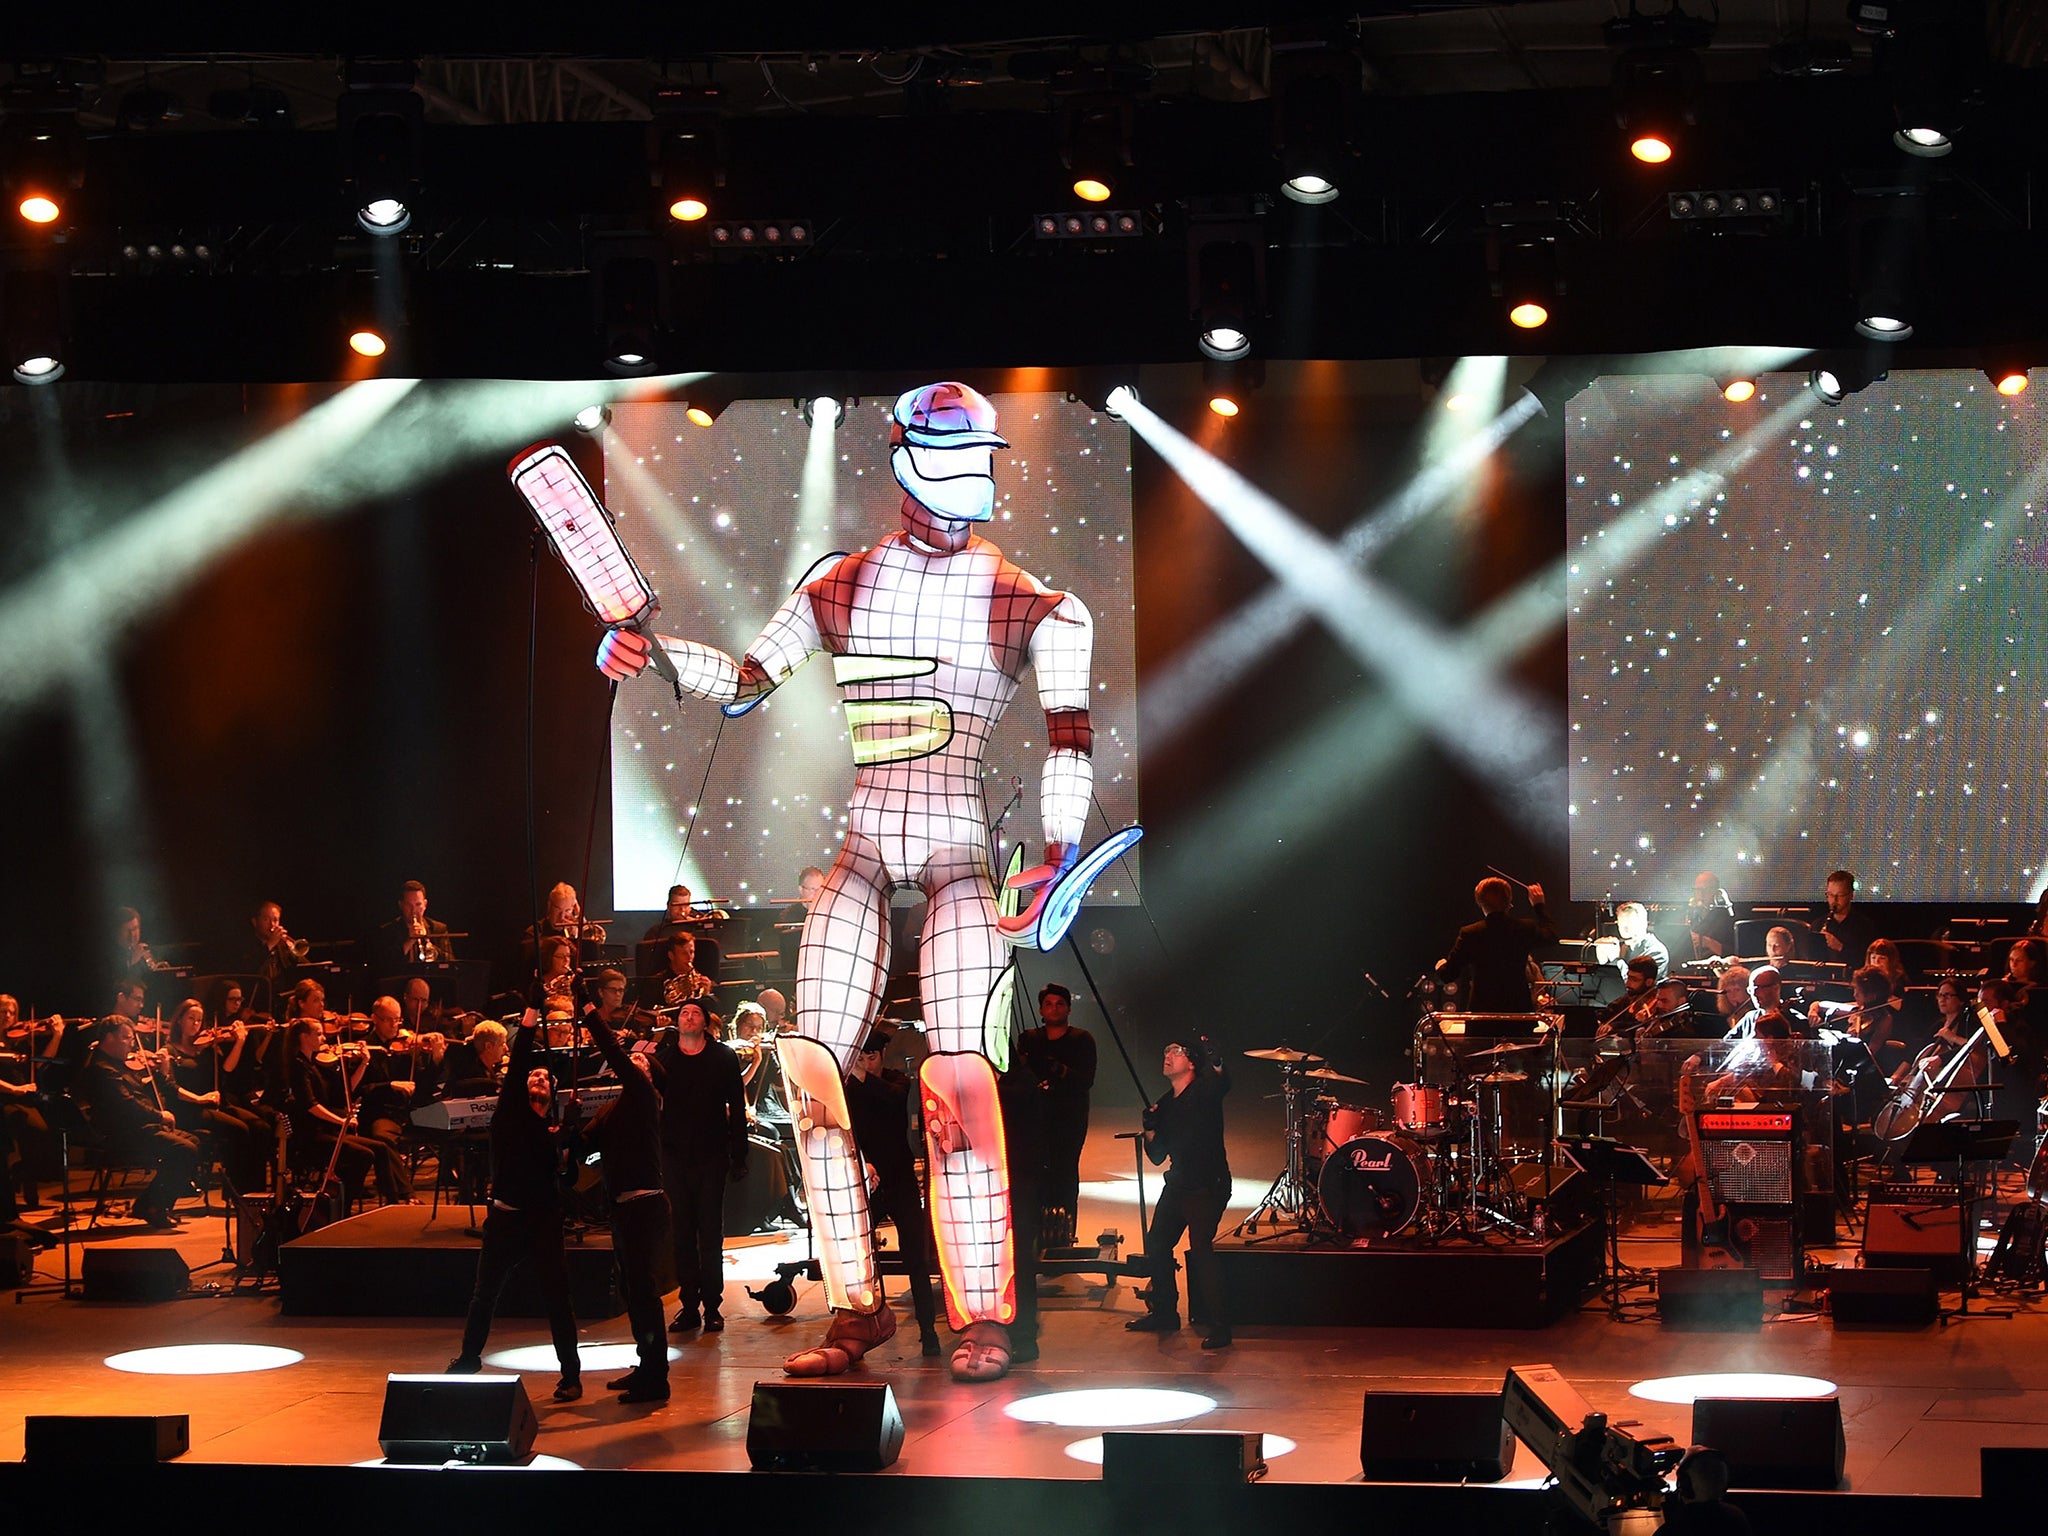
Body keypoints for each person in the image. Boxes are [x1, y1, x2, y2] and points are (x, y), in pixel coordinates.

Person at [599, 381, 1099, 1384]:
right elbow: (745, 683)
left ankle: (980, 1313)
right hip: (866, 845)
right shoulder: (839, 582)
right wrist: (654, 659)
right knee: (811, 1071)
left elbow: (1068, 742)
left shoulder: (1034, 605)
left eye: (981, 455)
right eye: (952, 452)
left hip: (959, 849)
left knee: (960, 1074)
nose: (972, 473)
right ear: (907, 455)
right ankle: (856, 1307)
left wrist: (1053, 854)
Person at [448, 1018, 582, 1402]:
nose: (538, 1078)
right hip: (506, 1217)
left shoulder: (552, 1131)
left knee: (558, 1299)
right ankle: (469, 1358)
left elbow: (565, 1174)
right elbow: (521, 1060)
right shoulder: (509, 1115)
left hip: (542, 1220)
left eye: (545, 1078)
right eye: (533, 1076)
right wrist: (527, 1022)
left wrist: (570, 1135)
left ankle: (571, 1376)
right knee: (484, 1293)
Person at [582, 1019, 672, 1402]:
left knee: (644, 1293)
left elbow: (614, 1054)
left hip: (644, 1206)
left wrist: (588, 1011)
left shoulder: (643, 1094)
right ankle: (646, 1365)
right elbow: (587, 1139)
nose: (634, 1060)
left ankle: (657, 1377)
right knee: (632, 1291)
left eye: (641, 1060)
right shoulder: (615, 1106)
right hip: (622, 1208)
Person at [1129, 1036, 1233, 1350]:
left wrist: (1216, 1061)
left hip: (1206, 1186)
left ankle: (1220, 1326)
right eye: (1165, 1051)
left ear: (1191, 1062)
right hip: (1179, 1184)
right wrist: (1149, 1127)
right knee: (1158, 1242)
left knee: (1200, 1248)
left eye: (1175, 1051)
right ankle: (1165, 1313)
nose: (1167, 1056)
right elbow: (1157, 1155)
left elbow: (1222, 1083)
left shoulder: (1204, 1090)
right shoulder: (1166, 1103)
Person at [844, 1026, 941, 1357]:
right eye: (859, 1057)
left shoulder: (896, 1080)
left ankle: (928, 1330)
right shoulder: (847, 1088)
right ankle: (863, 1324)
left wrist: (863, 1076)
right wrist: (863, 1162)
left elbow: (892, 1100)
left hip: (899, 1178)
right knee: (857, 1257)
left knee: (915, 1253)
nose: (864, 1063)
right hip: (867, 1177)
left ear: (882, 1055)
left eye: (870, 1057)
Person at [654, 995, 748, 1334]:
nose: (689, 1017)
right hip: (675, 1155)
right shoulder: (664, 1061)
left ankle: (713, 1306)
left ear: (706, 1022)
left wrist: (740, 1153)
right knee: (681, 1232)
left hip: (711, 1155)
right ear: (677, 1022)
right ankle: (689, 1305)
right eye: (684, 1013)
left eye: (696, 1013)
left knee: (710, 1233)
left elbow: (736, 1105)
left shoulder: (722, 1057)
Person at [80, 1018, 201, 1227]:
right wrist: (159, 1115)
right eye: (126, 1037)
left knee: (195, 1142)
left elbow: (138, 1094)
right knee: (186, 1150)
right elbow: (127, 1105)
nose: (132, 1044)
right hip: (122, 1135)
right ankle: (154, 1207)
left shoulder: (119, 1064)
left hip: (139, 1129)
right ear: (109, 1038)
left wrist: (158, 1073)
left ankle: (150, 1204)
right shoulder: (102, 1068)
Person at [282, 1017, 410, 1206]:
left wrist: (364, 1063)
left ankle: (394, 1203)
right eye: (318, 1034)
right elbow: (311, 1105)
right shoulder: (298, 1067)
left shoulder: (314, 1064)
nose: (324, 1038)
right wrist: (342, 1121)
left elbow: (346, 1090)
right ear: (303, 1037)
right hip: (313, 1135)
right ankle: (343, 1206)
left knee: (380, 1148)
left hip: (327, 1130)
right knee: (364, 1155)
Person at [162, 998, 270, 1195]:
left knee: (260, 1127)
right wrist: (199, 1099)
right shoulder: (169, 1050)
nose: (195, 1024)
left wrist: (240, 1041)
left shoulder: (204, 1048)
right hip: (189, 1110)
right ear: (179, 1020)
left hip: (212, 1105)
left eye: (199, 1020)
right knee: (240, 1130)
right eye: (191, 1018)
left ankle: (258, 1191)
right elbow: (170, 1087)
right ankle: (238, 1191)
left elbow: (226, 1069)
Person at [1017, 983, 1095, 1248]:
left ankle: (1064, 1233)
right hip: (1034, 1120)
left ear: (1069, 1009)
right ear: (1041, 1009)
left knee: (1064, 1173)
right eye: (1048, 1004)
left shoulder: (1082, 1039)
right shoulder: (1029, 1039)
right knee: (1036, 1175)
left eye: (1059, 1004)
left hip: (1068, 1120)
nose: (1054, 1008)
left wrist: (1061, 1071)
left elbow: (1086, 1081)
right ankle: (1038, 1233)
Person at [1438, 877, 1555, 1011]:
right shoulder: (1525, 928)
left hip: (1482, 1014)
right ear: (1509, 901)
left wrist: (1440, 966)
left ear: (1480, 902)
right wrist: (1539, 905)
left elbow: (1447, 975)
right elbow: (1551, 936)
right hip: (1518, 1013)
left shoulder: (1470, 933)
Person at [370, 880, 454, 977]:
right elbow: (385, 966)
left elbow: (451, 962)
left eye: (418, 905)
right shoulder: (388, 930)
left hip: (433, 980)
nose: (414, 910)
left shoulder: (438, 928)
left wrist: (431, 947)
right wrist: (409, 941)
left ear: (425, 904)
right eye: (408, 905)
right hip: (400, 982)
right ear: (401, 905)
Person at [233, 900, 302, 998]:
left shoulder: (282, 944)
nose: (272, 925)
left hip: (283, 998)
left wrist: (294, 952)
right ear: (255, 922)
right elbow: (247, 968)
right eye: (266, 919)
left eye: (275, 920)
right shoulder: (244, 945)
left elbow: (306, 967)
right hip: (257, 1000)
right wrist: (270, 945)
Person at [522, 882, 588, 973]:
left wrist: (576, 938)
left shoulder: (573, 931)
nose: (562, 916)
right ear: (549, 906)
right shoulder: (536, 931)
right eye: (558, 909)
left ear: (573, 909)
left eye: (567, 910)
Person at [1595, 900, 1669, 981]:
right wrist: (1603, 962)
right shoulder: (1624, 947)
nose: (1625, 930)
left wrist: (1615, 960)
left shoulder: (1656, 951)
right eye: (1621, 924)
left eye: (1630, 923)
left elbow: (1634, 985)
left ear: (1644, 924)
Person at [1816, 869, 1875, 963]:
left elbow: (1866, 960)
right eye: (1830, 895)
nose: (1834, 900)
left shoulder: (1864, 926)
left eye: (1840, 895)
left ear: (1851, 895)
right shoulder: (1818, 924)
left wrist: (1840, 947)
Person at [1726, 965, 1798, 1040]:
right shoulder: (1749, 1018)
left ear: (1776, 988)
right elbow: (1726, 1044)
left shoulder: (1797, 1020)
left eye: (1758, 988)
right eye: (1751, 989)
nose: (1754, 993)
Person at [1687, 873, 1736, 961]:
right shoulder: (1692, 914)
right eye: (1697, 890)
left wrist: (1707, 942)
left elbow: (1735, 952)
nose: (1701, 894)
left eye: (1705, 890)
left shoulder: (1727, 917)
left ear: (1716, 892)